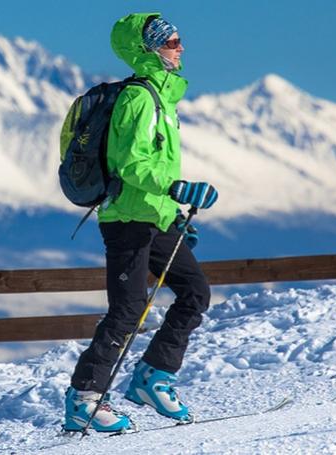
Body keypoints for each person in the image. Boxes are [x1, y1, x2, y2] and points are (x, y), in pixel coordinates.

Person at [63, 12, 219, 433]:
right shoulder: (139, 98)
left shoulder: (161, 99)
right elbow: (132, 164)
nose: (180, 47)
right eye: (170, 42)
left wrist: (172, 214)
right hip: (128, 220)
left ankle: (154, 377)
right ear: (146, 49)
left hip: (154, 216)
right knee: (128, 309)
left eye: (177, 40)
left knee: (194, 292)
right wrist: (177, 188)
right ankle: (84, 397)